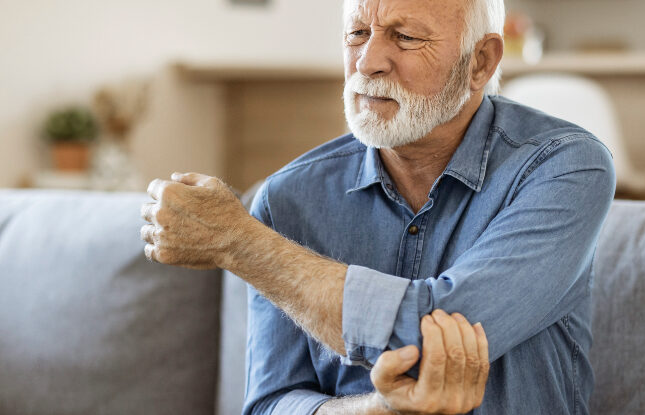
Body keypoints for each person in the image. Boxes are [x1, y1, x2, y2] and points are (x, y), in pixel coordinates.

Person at [140, 0, 616, 413]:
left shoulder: (565, 167)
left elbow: (438, 336)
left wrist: (240, 243)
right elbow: (271, 402)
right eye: (357, 34)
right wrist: (372, 411)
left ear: (481, 61)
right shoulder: (286, 198)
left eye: (405, 37)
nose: (367, 62)